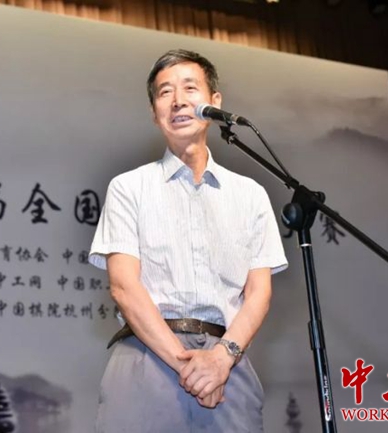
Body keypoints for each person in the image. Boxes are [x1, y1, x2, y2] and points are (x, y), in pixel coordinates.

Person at [89, 48, 288, 432]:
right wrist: (188, 366)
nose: (178, 100)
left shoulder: (250, 195)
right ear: (154, 113)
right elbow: (124, 287)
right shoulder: (129, 187)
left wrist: (221, 360)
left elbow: (259, 293)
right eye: (165, 92)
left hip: (228, 364)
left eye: (189, 88)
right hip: (147, 356)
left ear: (215, 102)